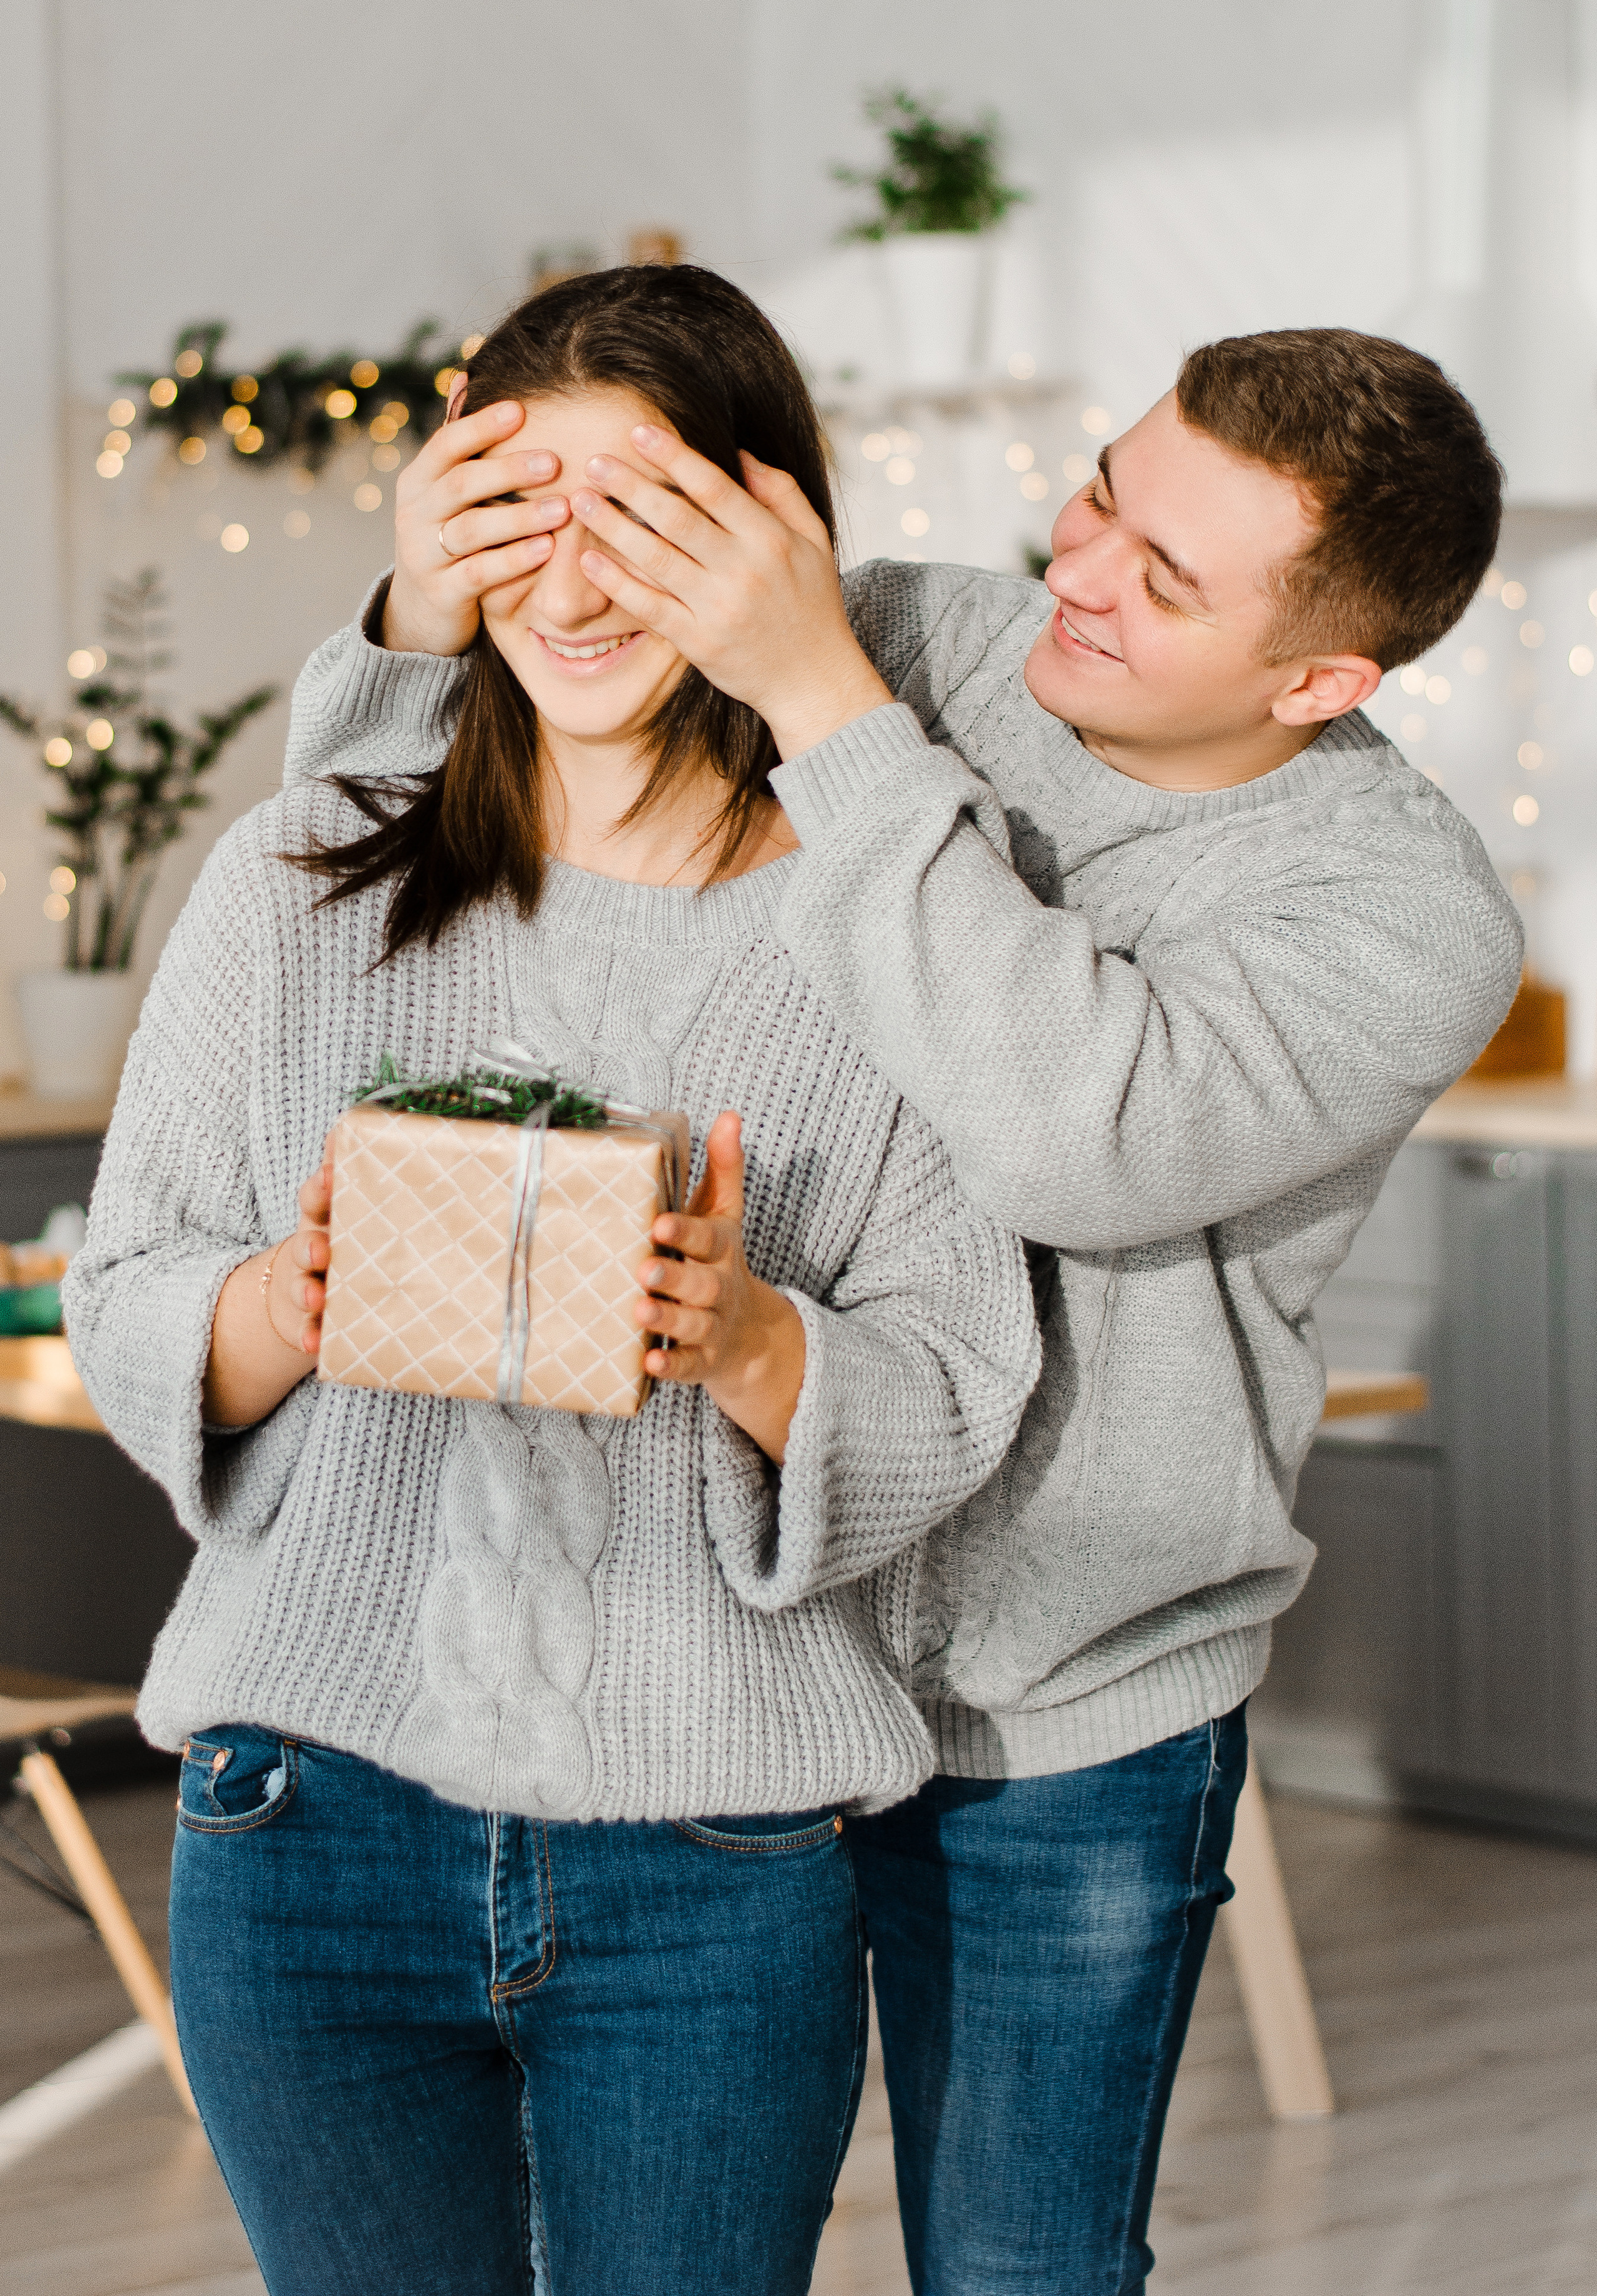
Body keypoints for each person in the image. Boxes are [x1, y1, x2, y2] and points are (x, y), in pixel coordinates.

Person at [293, 311, 1524, 2292]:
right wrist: (427, 601)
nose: (1080, 568)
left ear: (1322, 675)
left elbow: (1073, 1135)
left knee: (1021, 2268)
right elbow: (398, 850)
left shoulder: (1403, 914)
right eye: (1106, 492)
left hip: (1050, 1714)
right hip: (720, 1662)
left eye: (1164, 576)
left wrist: (829, 715)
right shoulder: (911, 635)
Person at [62, 266, 1042, 2296]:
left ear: (770, 533)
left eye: (645, 513)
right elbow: (131, 1281)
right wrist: (287, 1301)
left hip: (714, 1863)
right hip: (302, 1827)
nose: (576, 583)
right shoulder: (301, 870)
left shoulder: (897, 931)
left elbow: (959, 1375)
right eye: (525, 512)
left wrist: (757, 1340)